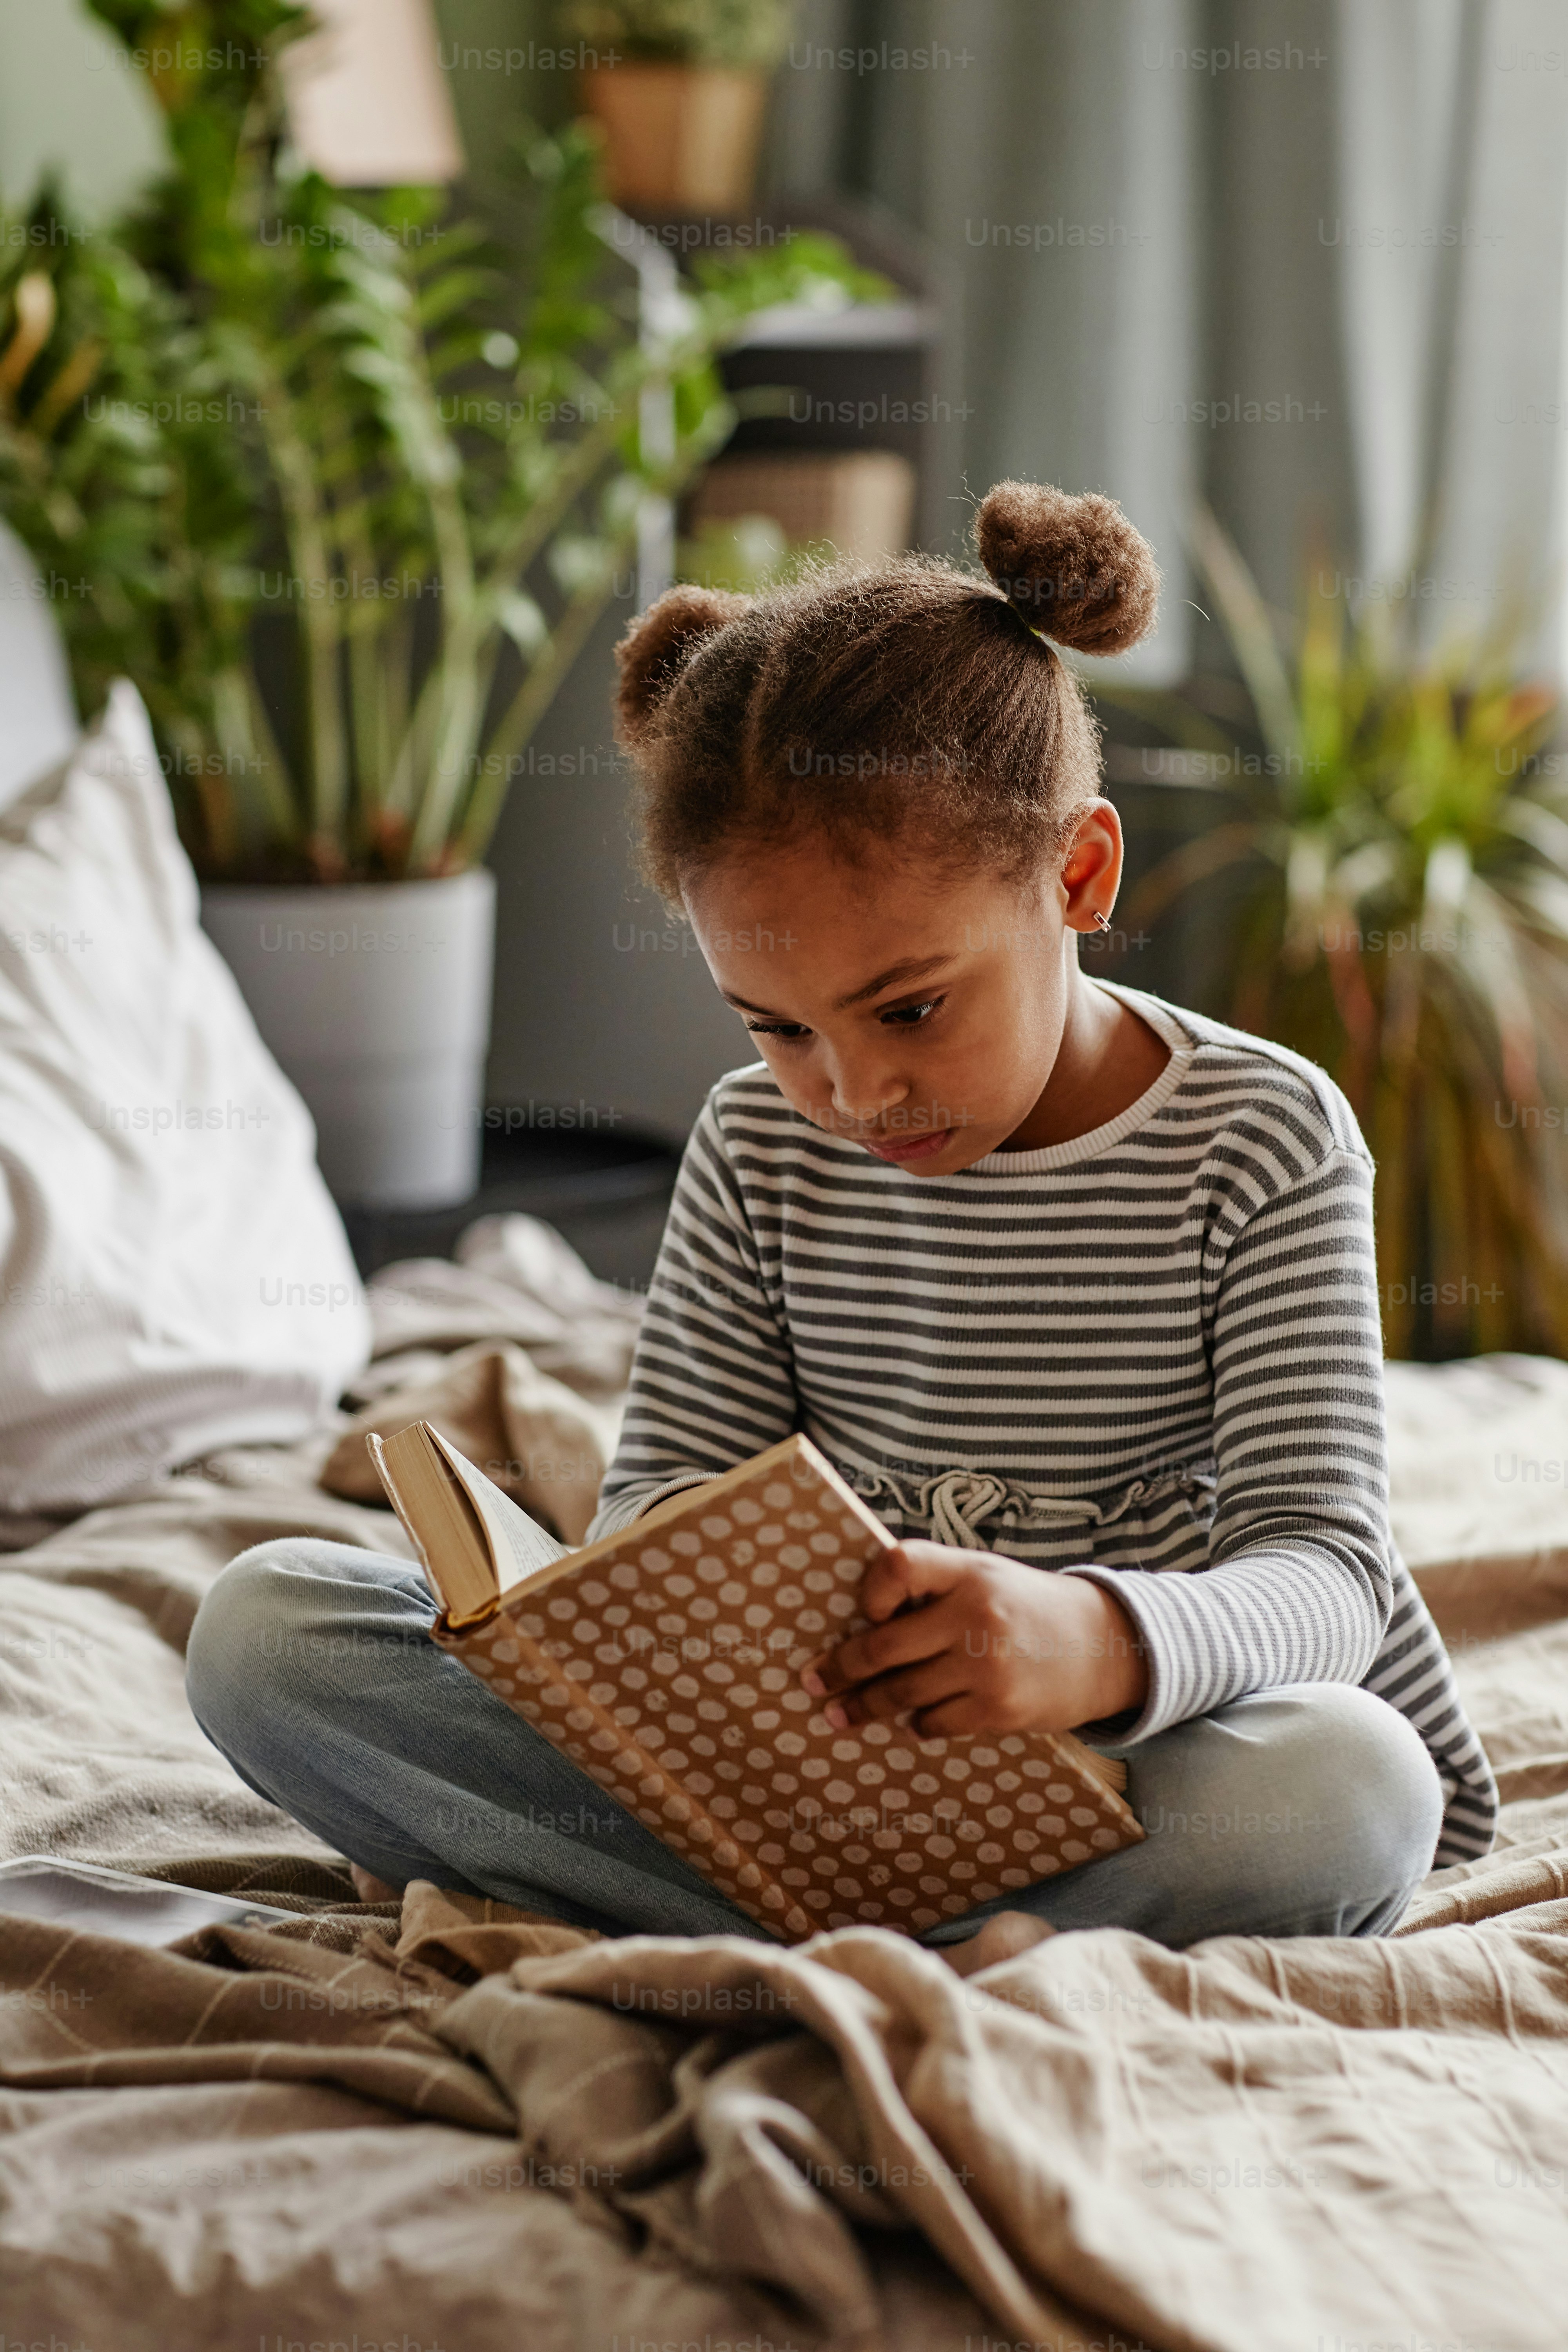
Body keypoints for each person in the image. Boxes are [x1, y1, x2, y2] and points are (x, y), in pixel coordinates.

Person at [186, 481, 1496, 1959]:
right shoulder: (758, 1148)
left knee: (1353, 1789)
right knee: (263, 1628)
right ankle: (902, 1923)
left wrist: (1093, 1644)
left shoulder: (1264, 1138)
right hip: (808, 1769)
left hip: (1135, 1757)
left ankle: (726, 1915)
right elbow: (667, 1498)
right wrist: (653, 1630)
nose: (858, 1092)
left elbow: (1324, 1569)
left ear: (1079, 875)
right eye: (778, 1029)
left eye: (912, 1008)